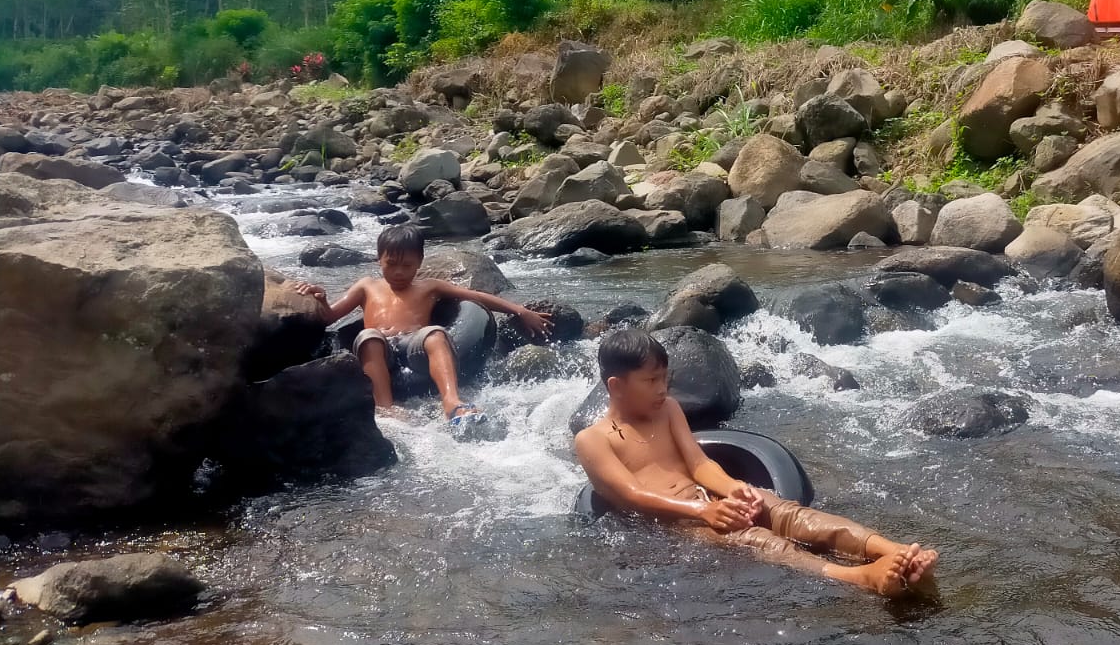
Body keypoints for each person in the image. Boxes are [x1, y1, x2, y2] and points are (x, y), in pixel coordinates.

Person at [574, 328, 939, 598]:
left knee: (789, 513)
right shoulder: (593, 439)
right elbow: (631, 493)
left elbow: (700, 464)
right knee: (758, 541)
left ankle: (895, 552)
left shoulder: (667, 411)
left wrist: (735, 489)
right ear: (617, 386)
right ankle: (861, 577)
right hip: (673, 523)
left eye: (665, 378)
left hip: (707, 501)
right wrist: (702, 512)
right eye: (651, 380)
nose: (662, 389)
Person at [293, 223, 550, 430]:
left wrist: (520, 310)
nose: (399, 272)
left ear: (419, 262)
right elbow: (330, 317)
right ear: (378, 259)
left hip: (413, 343)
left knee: (435, 334)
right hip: (381, 349)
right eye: (391, 264)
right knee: (368, 335)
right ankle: (386, 406)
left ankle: (452, 401)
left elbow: (476, 297)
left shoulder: (429, 286)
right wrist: (320, 298)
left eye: (407, 265)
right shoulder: (366, 286)